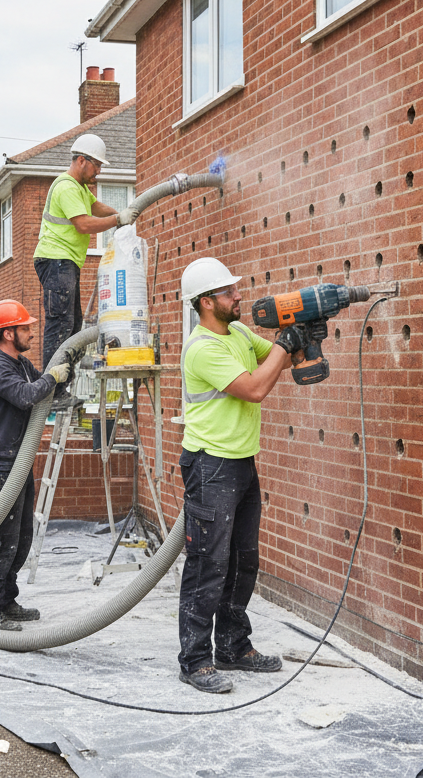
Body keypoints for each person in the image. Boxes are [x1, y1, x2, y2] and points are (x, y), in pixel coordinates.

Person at [176, 257, 322, 693]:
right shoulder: (203, 347)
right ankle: (195, 661)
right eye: (228, 292)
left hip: (241, 463)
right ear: (205, 303)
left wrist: (301, 337)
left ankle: (234, 648)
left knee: (243, 563)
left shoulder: (237, 332)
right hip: (210, 465)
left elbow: (280, 361)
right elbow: (256, 388)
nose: (238, 295)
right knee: (208, 565)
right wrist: (285, 342)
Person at [0, 299, 70, 630]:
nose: (31, 332)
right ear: (8, 333)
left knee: (20, 537)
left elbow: (44, 390)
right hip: (0, 466)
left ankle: (6, 599)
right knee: (0, 538)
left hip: (19, 461)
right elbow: (26, 396)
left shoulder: (21, 364)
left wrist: (63, 378)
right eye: (25, 328)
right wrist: (51, 380)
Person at [32, 133, 138, 396]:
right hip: (56, 259)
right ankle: (53, 389)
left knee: (73, 323)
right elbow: (84, 224)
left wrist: (121, 212)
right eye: (97, 165)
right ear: (82, 160)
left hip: (65, 261)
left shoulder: (79, 189)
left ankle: (61, 383)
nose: (99, 171)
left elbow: (96, 207)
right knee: (60, 324)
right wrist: (118, 221)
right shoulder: (66, 186)